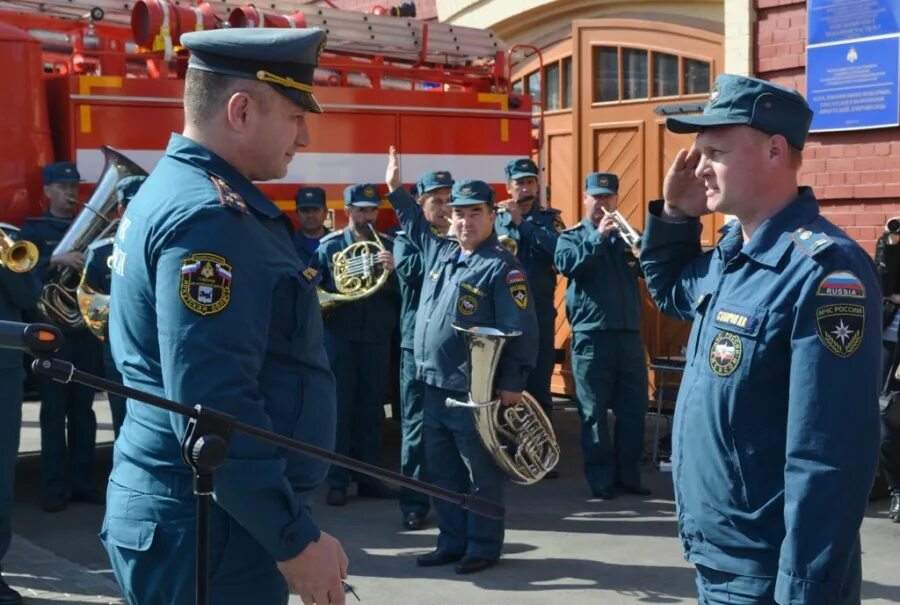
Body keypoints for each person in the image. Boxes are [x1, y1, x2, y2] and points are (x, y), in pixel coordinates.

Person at [104, 28, 347, 605]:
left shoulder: (172, 189)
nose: (305, 137)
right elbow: (213, 405)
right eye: (294, 116)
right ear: (240, 110)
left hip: (196, 514)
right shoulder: (211, 217)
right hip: (212, 529)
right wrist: (293, 540)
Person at [640, 74, 881, 604]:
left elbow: (829, 456)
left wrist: (804, 592)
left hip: (770, 575)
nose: (698, 166)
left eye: (716, 151)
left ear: (775, 150)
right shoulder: (732, 254)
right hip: (719, 558)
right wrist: (676, 216)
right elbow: (672, 291)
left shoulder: (826, 272)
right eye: (698, 151)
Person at [385, 148, 538, 575]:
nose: (464, 221)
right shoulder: (442, 253)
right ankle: (451, 542)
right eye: (458, 213)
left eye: (474, 213)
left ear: (492, 216)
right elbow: (414, 224)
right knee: (443, 473)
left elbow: (523, 331)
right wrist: (396, 189)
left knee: (479, 474)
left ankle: (483, 546)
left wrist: (512, 383)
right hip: (432, 386)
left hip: (474, 392)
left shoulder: (502, 268)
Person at [554, 172, 650, 500]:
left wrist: (641, 252)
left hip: (628, 335)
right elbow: (568, 266)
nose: (602, 204)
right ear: (585, 198)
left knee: (635, 410)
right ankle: (601, 480)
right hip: (591, 337)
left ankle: (628, 476)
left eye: (608, 198)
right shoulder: (571, 237)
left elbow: (648, 268)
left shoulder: (629, 237)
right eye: (596, 197)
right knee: (593, 413)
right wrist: (596, 238)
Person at [22, 161, 104, 513]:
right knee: (53, 413)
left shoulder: (87, 229)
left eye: (74, 188)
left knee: (84, 412)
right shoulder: (34, 230)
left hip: (82, 330)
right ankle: (54, 490)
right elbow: (24, 276)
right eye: (63, 187)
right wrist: (56, 260)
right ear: (48, 191)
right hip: (52, 333)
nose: (71, 194)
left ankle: (84, 484)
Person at [313, 183, 400, 507]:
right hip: (341, 337)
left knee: (371, 411)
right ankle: (337, 480)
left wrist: (393, 272)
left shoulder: (388, 247)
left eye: (372, 210)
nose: (367, 216)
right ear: (347, 211)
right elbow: (312, 284)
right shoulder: (331, 247)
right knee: (341, 410)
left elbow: (403, 295)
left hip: (376, 338)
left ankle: (367, 478)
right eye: (360, 210)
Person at [392, 170, 452, 530]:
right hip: (415, 347)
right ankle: (414, 503)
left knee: (454, 429)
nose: (445, 208)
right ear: (420, 204)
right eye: (437, 201)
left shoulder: (461, 240)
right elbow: (417, 271)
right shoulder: (405, 241)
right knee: (416, 428)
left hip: (451, 350)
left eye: (449, 200)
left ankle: (451, 499)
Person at [494, 158, 562, 426]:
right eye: (519, 183)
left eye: (530, 181)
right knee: (503, 387)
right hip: (502, 317)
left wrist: (522, 223)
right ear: (508, 187)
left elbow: (559, 251)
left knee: (539, 387)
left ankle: (541, 460)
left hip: (539, 315)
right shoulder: (495, 219)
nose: (526, 188)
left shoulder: (549, 220)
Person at [81, 175, 146, 437]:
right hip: (118, 350)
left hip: (153, 348)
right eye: (133, 204)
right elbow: (90, 301)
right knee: (122, 421)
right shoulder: (99, 252)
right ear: (120, 209)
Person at [0, 224, 42, 605]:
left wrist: (9, 263)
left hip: (3, 373)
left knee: (0, 475)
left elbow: (30, 297)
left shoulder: (6, 238)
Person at [875, 222, 900, 523]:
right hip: (888, 342)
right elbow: (882, 286)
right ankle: (896, 490)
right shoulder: (891, 245)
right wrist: (890, 243)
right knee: (886, 412)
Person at [293, 186, 329, 266]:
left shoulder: (339, 243)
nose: (310, 215)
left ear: (325, 213)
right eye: (305, 210)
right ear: (297, 214)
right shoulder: (287, 245)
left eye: (315, 210)